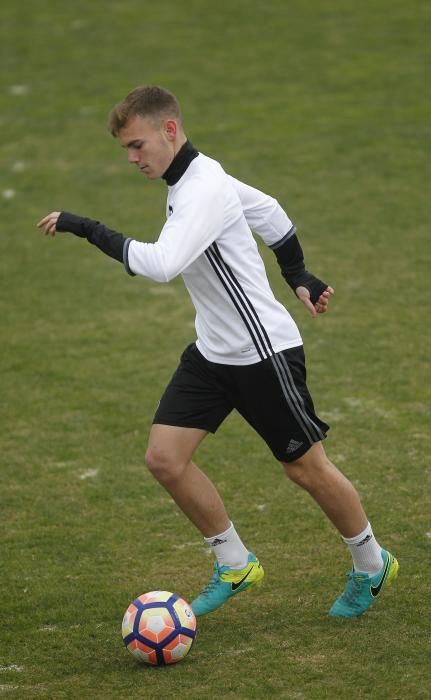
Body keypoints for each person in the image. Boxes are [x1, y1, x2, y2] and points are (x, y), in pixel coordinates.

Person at [37, 85, 398, 618]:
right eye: (125, 151)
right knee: (165, 459)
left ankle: (372, 564)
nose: (133, 159)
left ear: (169, 130)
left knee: (305, 468)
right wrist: (296, 271)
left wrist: (86, 227)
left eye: (137, 146)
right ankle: (234, 563)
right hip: (214, 352)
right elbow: (269, 211)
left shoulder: (202, 188)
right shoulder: (197, 176)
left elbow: (162, 264)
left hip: (262, 353)